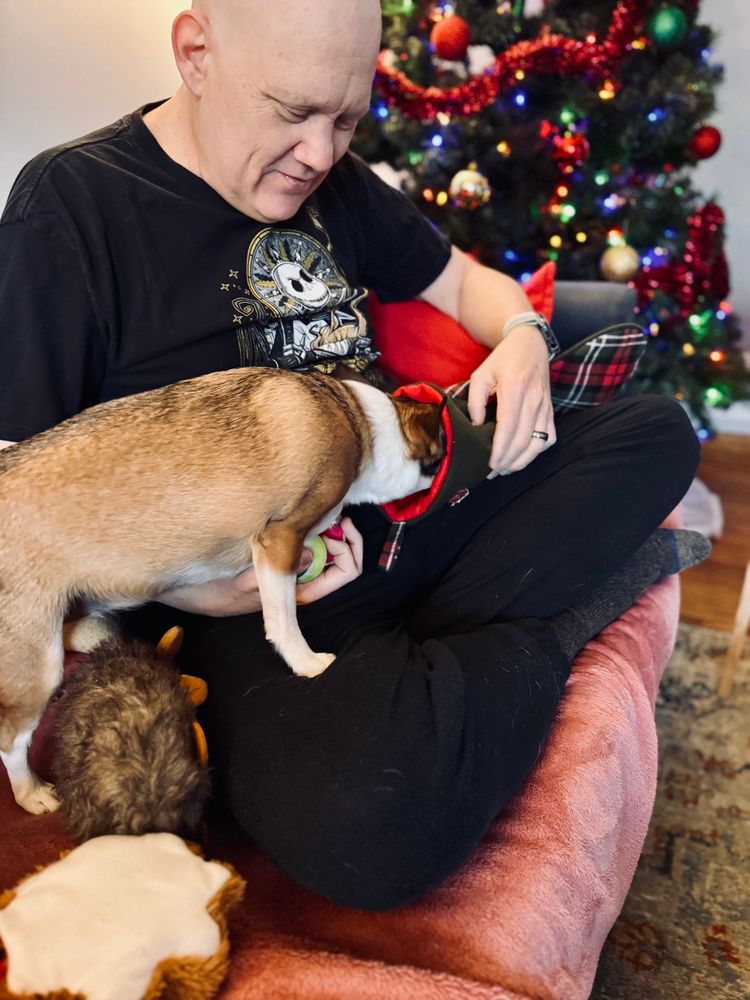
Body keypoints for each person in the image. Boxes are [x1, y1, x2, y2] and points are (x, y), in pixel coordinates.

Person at [0, 0, 705, 910]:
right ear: (196, 52)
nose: (321, 154)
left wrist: (524, 335)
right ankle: (543, 630)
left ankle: (447, 645)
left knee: (656, 434)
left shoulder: (337, 182)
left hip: (410, 495)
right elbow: (22, 489)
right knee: (370, 834)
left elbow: (460, 282)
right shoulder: (70, 204)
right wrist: (184, 581)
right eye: (293, 112)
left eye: (347, 119)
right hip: (249, 600)